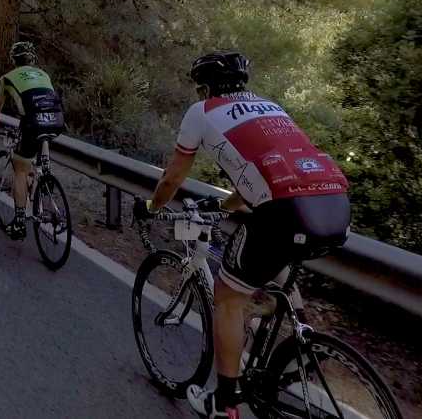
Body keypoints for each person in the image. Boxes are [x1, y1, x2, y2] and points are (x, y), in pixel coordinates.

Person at [133, 51, 351, 419]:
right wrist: (224, 206)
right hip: (332, 202)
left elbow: (171, 179)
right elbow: (268, 173)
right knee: (277, 260)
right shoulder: (271, 107)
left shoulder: (201, 112)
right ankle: (299, 338)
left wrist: (153, 207)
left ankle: (226, 404)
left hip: (284, 211)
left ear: (205, 87)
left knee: (229, 297)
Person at [0, 41, 66, 240]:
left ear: (14, 60)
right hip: (56, 119)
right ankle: (45, 171)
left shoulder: (6, 78)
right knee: (41, 137)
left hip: (31, 121)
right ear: (32, 59)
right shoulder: (43, 74)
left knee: (20, 168)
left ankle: (20, 222)